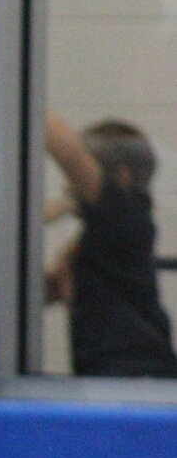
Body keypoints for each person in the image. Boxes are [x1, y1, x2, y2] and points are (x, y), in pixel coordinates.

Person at [45, 112, 177, 377]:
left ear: (121, 177)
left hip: (135, 375)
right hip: (114, 371)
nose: (69, 184)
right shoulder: (104, 234)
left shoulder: (125, 216)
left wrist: (15, 92)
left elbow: (70, 156)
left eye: (82, 176)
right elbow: (52, 288)